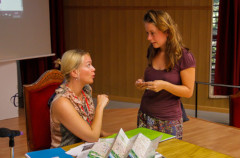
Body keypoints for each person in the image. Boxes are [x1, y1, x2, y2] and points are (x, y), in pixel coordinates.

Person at [135, 10, 196, 139]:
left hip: (168, 122)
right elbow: (150, 76)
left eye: (153, 33)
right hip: (144, 116)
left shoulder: (184, 56)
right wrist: (141, 81)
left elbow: (189, 91)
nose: (149, 38)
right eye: (147, 33)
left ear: (167, 31)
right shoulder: (152, 50)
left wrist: (164, 85)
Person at [50, 49, 109, 148]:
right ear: (74, 72)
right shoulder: (62, 102)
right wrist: (100, 106)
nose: (93, 68)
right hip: (66, 153)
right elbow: (92, 137)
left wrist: (117, 136)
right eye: (88, 65)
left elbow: (91, 127)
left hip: (85, 149)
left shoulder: (86, 90)